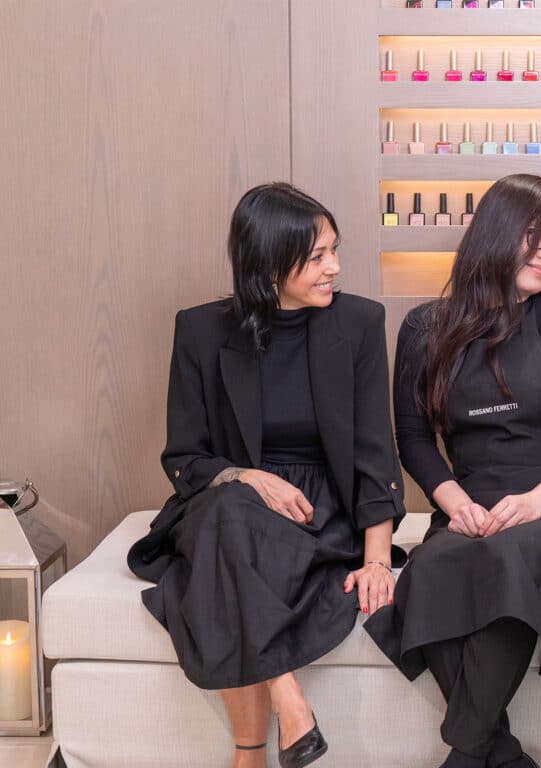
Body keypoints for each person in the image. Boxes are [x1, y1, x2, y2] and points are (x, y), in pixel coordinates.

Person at [127, 182, 405, 768]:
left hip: (319, 514)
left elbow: (374, 452)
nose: (335, 267)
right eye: (316, 258)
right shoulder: (202, 331)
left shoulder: (357, 323)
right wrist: (247, 478)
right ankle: (288, 699)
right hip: (228, 502)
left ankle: (248, 755)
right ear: (268, 265)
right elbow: (185, 455)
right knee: (230, 517)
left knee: (221, 564)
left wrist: (377, 556)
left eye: (334, 250)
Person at [364, 174, 541, 768]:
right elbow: (413, 438)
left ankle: (465, 755)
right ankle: (502, 755)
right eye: (535, 236)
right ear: (493, 233)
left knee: (510, 554)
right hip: (473, 504)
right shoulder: (424, 329)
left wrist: (539, 500)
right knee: (432, 568)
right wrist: (453, 501)